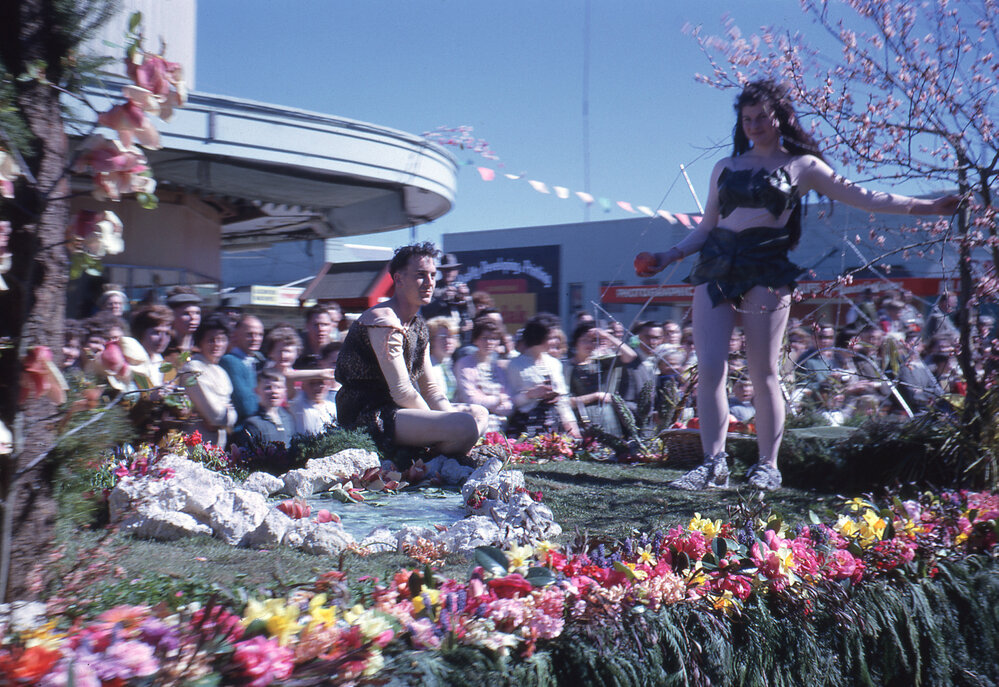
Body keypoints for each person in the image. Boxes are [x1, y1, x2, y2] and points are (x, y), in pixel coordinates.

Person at [636, 78, 960, 491]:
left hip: (768, 269)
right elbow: (707, 226)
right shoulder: (726, 167)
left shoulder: (803, 166)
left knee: (763, 371)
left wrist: (927, 207)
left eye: (761, 117)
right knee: (711, 368)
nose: (753, 125)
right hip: (716, 266)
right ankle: (712, 463)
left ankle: (767, 466)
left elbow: (860, 196)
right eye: (746, 118)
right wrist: (669, 256)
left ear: (780, 117)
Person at [335, 243, 489, 461]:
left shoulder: (418, 326)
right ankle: (438, 451)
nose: (430, 283)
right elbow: (402, 391)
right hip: (369, 415)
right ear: (398, 279)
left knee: (478, 414)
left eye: (433, 275)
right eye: (420, 275)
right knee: (464, 425)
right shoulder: (384, 320)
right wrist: (444, 423)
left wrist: (446, 419)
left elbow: (432, 390)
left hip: (402, 412)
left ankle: (437, 450)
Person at [505, 313, 581, 439]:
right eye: (551, 338)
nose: (556, 342)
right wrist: (530, 394)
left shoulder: (554, 363)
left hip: (555, 424)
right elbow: (511, 402)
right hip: (526, 426)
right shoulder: (515, 365)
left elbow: (563, 400)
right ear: (538, 337)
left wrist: (572, 427)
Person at [566, 321, 637, 433]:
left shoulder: (601, 362)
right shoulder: (568, 367)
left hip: (607, 418)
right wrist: (596, 396)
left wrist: (607, 336)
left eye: (593, 341)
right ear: (575, 343)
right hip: (582, 419)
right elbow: (566, 401)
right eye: (584, 340)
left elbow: (630, 355)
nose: (589, 345)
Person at [181, 314, 237, 446]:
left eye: (222, 339)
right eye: (211, 340)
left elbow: (228, 416)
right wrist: (228, 414)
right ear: (200, 342)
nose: (217, 344)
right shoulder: (193, 369)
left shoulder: (221, 371)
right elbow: (215, 416)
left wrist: (227, 416)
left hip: (218, 445)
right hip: (196, 445)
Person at [453, 318, 513, 432]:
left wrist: (487, 401)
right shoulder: (464, 364)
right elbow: (471, 400)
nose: (489, 342)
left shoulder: (499, 367)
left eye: (494, 338)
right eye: (484, 338)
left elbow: (510, 405)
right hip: (474, 427)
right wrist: (498, 399)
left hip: (500, 428)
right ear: (475, 340)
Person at [219, 315, 265, 429]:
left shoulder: (258, 361)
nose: (255, 339)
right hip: (241, 430)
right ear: (236, 335)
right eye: (250, 334)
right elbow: (247, 406)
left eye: (260, 335)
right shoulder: (230, 361)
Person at [234, 370, 295, 448]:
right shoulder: (253, 424)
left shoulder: (288, 418)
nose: (274, 391)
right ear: (257, 391)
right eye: (268, 387)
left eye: (279, 387)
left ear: (285, 390)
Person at [289, 356, 338, 436]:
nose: (316, 387)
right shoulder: (297, 403)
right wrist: (320, 374)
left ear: (328, 384)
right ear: (303, 385)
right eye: (312, 383)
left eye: (320, 383)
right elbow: (289, 377)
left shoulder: (333, 407)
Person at [165, 286, 202, 359]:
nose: (193, 318)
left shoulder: (202, 349)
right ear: (172, 315)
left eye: (197, 313)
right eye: (186, 314)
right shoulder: (163, 349)